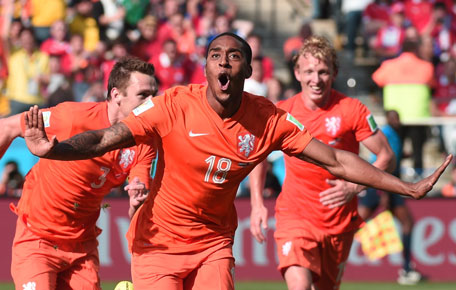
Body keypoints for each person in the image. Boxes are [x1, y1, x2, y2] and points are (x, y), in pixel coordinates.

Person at [23, 32, 451, 290]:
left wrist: (406, 186)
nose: (224, 62)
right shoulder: (173, 104)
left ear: (247, 69)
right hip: (156, 244)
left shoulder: (268, 118)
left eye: (234, 56)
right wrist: (53, 149)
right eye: (215, 55)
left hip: (213, 244)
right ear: (205, 68)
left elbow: (337, 161)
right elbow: (106, 136)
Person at [249, 35, 394, 290]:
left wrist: (354, 187)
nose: (316, 80)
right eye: (309, 72)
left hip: (338, 221)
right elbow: (257, 158)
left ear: (334, 72)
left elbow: (386, 157)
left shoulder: (351, 109)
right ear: (297, 73)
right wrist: (257, 204)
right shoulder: (282, 112)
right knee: (300, 286)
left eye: (323, 72)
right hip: (295, 216)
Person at [0, 56, 157, 289]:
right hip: (38, 240)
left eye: (154, 94)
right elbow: (7, 126)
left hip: (82, 248)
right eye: (143, 95)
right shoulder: (73, 117)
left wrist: (137, 200)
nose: (152, 102)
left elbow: (138, 189)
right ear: (116, 95)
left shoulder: (145, 141)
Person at [358, 109, 422, 285]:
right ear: (387, 119)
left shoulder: (394, 134)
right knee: (354, 223)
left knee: (407, 222)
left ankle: (407, 269)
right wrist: (384, 194)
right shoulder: (388, 133)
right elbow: (385, 163)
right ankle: (328, 253)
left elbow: (393, 158)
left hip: (388, 185)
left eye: (398, 118)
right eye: (393, 118)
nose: (396, 121)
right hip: (381, 185)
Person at [372, 37, 435, 179]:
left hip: (395, 116)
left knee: (395, 150)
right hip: (418, 115)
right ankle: (419, 179)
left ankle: (396, 179)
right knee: (418, 150)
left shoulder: (389, 65)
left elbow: (376, 79)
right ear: (416, 50)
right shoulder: (426, 66)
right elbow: (432, 83)